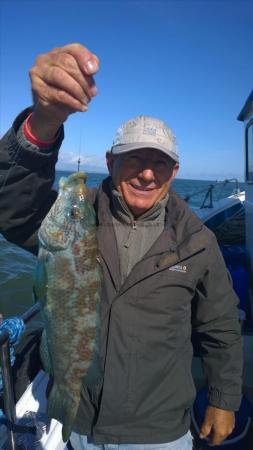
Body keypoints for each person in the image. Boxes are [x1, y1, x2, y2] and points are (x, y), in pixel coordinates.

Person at [0, 43, 243, 450]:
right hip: (76, 421)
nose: (147, 173)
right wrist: (43, 122)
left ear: (175, 171)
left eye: (159, 162)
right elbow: (13, 210)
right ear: (111, 162)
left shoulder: (198, 241)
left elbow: (219, 326)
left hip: (159, 429)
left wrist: (223, 399)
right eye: (134, 159)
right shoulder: (78, 217)